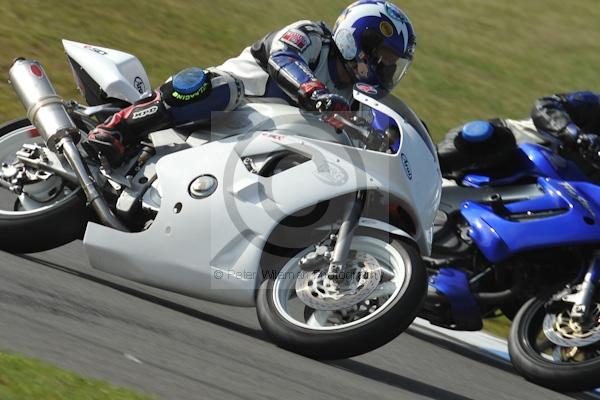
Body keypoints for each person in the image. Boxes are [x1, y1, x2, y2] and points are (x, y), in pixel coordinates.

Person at [88, 0, 417, 166]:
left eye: (392, 64)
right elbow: (283, 56)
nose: (385, 69)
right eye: (383, 57)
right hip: (235, 104)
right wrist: (315, 92)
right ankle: (118, 128)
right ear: (355, 39)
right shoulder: (313, 37)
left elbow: (367, 130)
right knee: (220, 89)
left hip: (262, 137)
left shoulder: (355, 95)